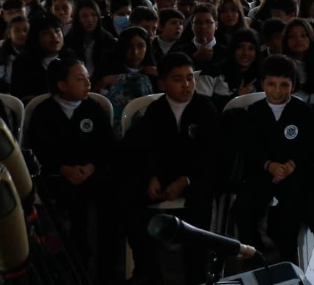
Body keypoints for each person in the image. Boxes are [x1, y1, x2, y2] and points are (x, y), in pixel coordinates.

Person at [124, 52, 221, 285]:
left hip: (194, 177)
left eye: (190, 78)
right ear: (163, 83)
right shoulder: (155, 110)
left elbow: (212, 154)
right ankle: (147, 270)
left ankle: (195, 274)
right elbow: (141, 149)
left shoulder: (205, 108)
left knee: (200, 201)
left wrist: (185, 180)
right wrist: (151, 177)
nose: (187, 85)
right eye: (178, 79)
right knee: (130, 198)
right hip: (162, 176)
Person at [26, 57, 118, 281]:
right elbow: (36, 150)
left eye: (88, 78)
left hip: (91, 173)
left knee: (111, 198)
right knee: (72, 207)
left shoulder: (93, 108)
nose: (87, 84)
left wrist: (91, 166)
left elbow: (108, 146)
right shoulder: (44, 112)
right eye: (80, 79)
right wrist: (63, 168)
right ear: (62, 85)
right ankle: (73, 267)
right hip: (57, 176)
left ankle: (106, 268)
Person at [234, 54, 314, 264]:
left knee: (292, 205)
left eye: (284, 85)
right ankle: (253, 257)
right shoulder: (254, 112)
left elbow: (310, 145)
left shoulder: (302, 111)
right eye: (271, 84)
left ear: (293, 85)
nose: (277, 90)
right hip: (261, 172)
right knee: (245, 205)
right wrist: (268, 165)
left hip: (293, 173)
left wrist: (291, 165)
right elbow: (249, 147)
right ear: (262, 83)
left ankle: (288, 258)